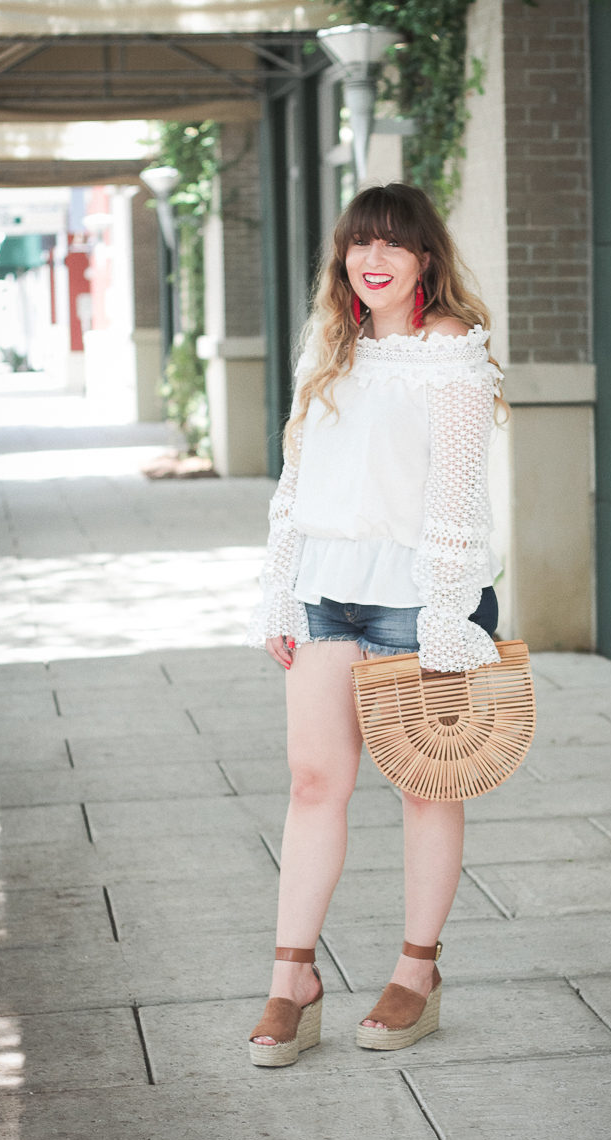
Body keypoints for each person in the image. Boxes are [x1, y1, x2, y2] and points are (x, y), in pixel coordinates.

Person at [247, 182, 506, 1067]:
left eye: (394, 244)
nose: (374, 259)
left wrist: (446, 618)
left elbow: (460, 498)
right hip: (326, 588)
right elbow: (297, 476)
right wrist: (280, 589)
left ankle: (416, 971)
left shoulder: (453, 358)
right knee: (314, 783)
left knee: (426, 787)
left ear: (425, 260)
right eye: (361, 244)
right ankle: (292, 982)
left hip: (417, 597)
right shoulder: (330, 343)